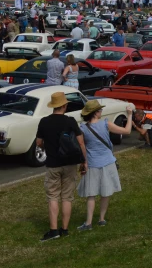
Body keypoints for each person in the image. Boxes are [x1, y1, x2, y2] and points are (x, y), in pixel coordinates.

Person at [35, 92, 88, 241]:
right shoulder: (70, 121)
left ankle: (53, 231)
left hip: (53, 164)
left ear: (53, 106)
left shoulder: (44, 122)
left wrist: (47, 145)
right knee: (67, 197)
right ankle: (64, 229)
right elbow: (81, 142)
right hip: (70, 163)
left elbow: (39, 142)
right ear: (64, 106)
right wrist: (84, 161)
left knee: (53, 196)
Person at [76, 99, 133, 231]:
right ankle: (101, 219)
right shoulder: (106, 124)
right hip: (108, 162)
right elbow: (127, 131)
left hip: (92, 163)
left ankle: (88, 222)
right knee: (105, 192)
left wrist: (82, 163)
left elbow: (81, 146)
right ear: (95, 113)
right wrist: (129, 115)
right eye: (100, 110)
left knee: (91, 194)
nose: (101, 111)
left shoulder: (83, 128)